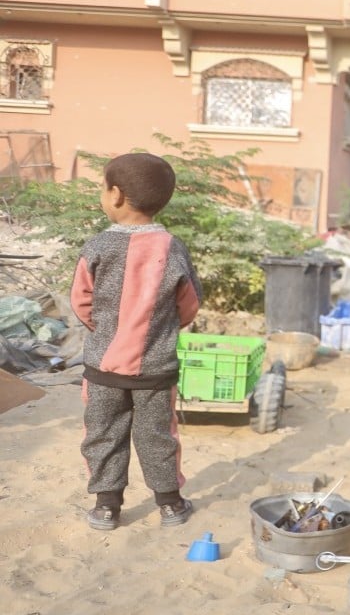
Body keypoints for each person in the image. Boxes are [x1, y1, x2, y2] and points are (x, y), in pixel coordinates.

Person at [71, 152, 202, 531]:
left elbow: (81, 300)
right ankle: (170, 505)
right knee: (158, 435)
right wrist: (161, 330)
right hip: (156, 370)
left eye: (102, 189)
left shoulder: (96, 246)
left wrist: (106, 332)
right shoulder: (173, 247)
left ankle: (106, 507)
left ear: (115, 195)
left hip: (103, 368)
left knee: (102, 434)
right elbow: (190, 303)